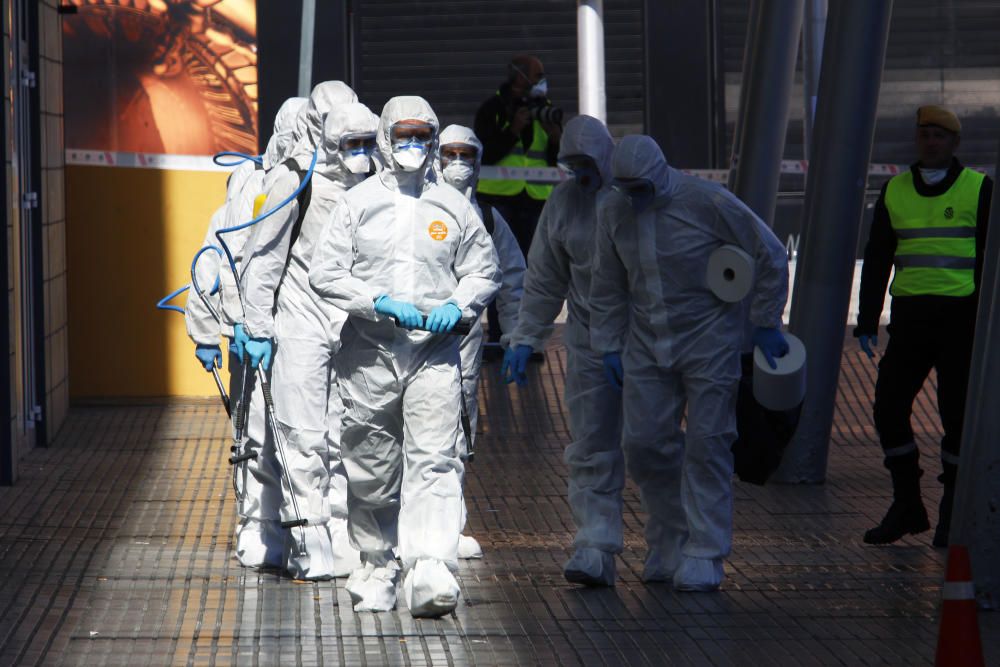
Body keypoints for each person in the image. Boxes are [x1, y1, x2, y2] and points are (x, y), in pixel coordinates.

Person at [309, 96, 500, 616]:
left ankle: (430, 567)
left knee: (435, 458)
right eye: (403, 137)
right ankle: (375, 563)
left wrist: (458, 305)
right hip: (369, 353)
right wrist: (376, 303)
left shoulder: (454, 207)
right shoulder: (358, 202)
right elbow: (325, 273)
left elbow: (484, 270)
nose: (412, 147)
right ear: (388, 140)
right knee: (371, 462)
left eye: (421, 137)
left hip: (434, 352)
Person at [590, 135, 788, 592]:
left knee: (708, 444)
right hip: (645, 341)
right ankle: (668, 538)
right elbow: (607, 282)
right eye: (626, 188)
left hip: (709, 340)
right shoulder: (615, 209)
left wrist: (765, 321)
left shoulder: (707, 201)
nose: (634, 196)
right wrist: (609, 344)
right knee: (642, 444)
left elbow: (770, 251)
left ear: (658, 176)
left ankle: (706, 550)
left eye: (640, 188)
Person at [238, 84, 366, 581]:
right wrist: (258, 326)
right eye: (346, 140)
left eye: (361, 140)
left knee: (346, 435)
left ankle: (341, 534)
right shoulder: (294, 180)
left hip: (351, 324)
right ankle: (307, 540)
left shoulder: (370, 184)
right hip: (301, 321)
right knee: (302, 434)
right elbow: (263, 257)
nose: (356, 150)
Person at [856, 105, 992, 548]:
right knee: (887, 406)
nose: (930, 141)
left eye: (939, 135)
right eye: (924, 134)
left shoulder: (979, 189)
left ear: (954, 143)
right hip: (911, 323)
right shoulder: (894, 191)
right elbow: (877, 260)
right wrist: (866, 319)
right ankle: (908, 504)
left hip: (963, 324)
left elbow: (993, 262)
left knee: (958, 419)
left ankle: (954, 507)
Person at [500, 115, 625, 587]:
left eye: (585, 163)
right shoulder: (564, 202)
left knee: (653, 446)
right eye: (571, 165)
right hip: (590, 341)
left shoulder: (633, 197)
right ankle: (594, 547)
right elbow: (545, 276)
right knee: (591, 445)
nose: (579, 173)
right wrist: (524, 337)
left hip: (645, 341)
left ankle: (673, 543)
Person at [195, 95, 306, 570]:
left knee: (301, 435)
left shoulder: (318, 191)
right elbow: (220, 263)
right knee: (255, 432)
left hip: (298, 333)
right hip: (255, 339)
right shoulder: (255, 194)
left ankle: (299, 529)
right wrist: (219, 329)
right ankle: (258, 528)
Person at [435, 124, 526, 560]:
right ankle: (400, 525)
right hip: (407, 341)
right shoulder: (415, 207)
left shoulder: (489, 219)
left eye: (465, 154)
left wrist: (516, 336)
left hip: (465, 346)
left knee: (458, 432)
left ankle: (449, 526)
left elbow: (513, 280)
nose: (457, 163)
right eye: (448, 153)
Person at [475, 54, 562, 350]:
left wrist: (554, 139)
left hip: (535, 199)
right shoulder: (493, 109)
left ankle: (528, 339)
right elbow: (484, 155)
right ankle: (501, 335)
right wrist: (512, 130)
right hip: (500, 199)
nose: (541, 81)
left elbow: (555, 161)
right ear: (518, 76)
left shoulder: (544, 110)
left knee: (533, 269)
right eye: (536, 75)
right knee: (499, 269)